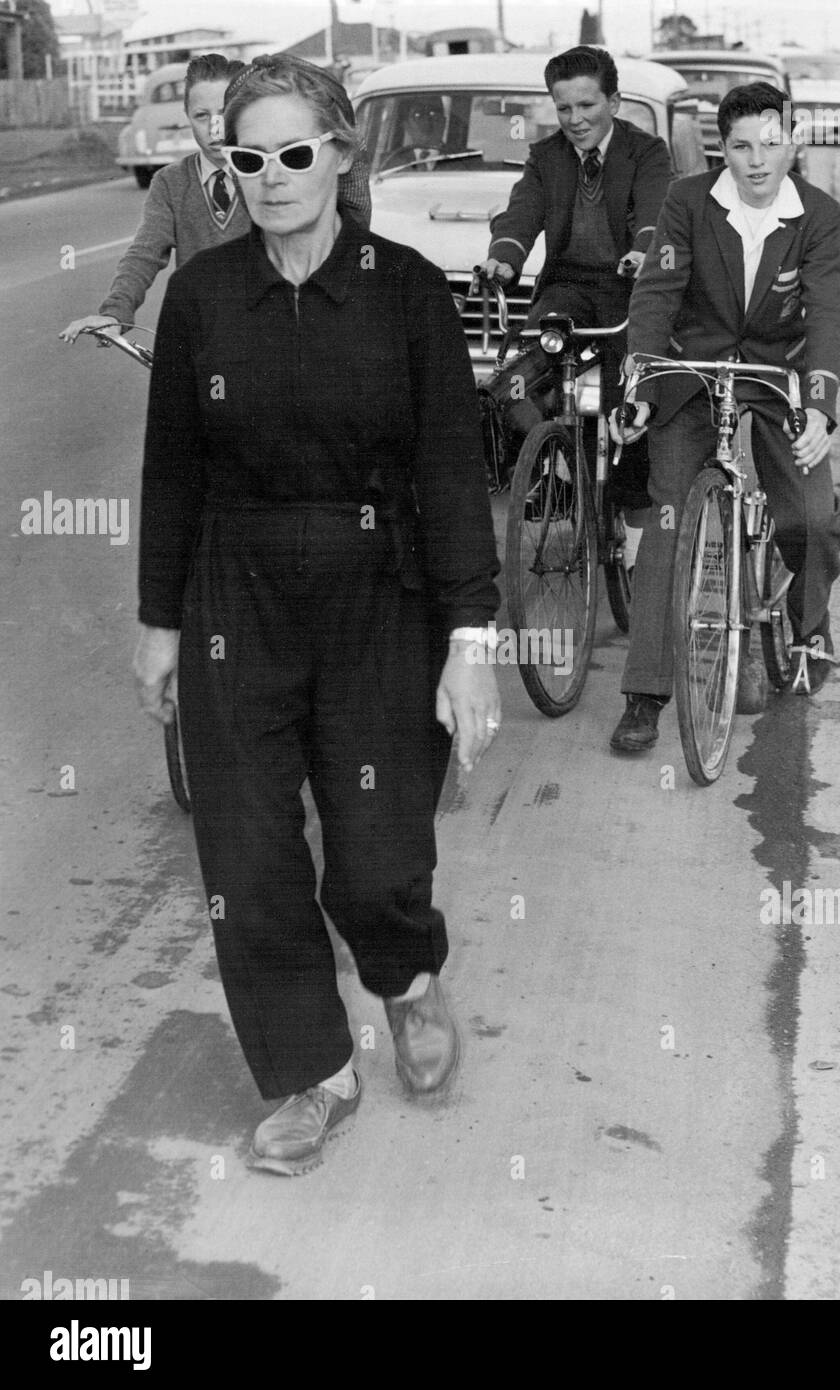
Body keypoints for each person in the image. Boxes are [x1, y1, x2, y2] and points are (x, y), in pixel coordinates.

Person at [132, 53, 501, 1176]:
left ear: (341, 153)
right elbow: (173, 471)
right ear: (225, 165)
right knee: (243, 855)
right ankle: (312, 1070)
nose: (274, 175)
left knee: (376, 856)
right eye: (250, 157)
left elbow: (449, 470)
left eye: (297, 152)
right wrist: (157, 623)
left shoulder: (407, 290)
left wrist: (471, 641)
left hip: (374, 593)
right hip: (233, 595)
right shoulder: (202, 297)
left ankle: (406, 979)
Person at [609, 83, 840, 754]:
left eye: (770, 143)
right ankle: (644, 693)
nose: (755, 160)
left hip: (777, 375)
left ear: (792, 143)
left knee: (806, 513)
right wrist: (642, 383)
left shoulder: (819, 215)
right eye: (740, 145)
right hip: (694, 370)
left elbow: (829, 312)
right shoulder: (687, 201)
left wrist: (822, 406)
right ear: (722, 149)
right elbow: (656, 295)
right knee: (666, 520)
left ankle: (807, 624)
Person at [476, 44, 672, 569]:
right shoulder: (546, 156)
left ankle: (633, 523)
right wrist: (504, 259)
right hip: (568, 289)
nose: (575, 119)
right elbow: (522, 214)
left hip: (630, 290)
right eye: (564, 108)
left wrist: (642, 249)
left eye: (587, 106)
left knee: (627, 405)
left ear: (614, 100)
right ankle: (556, 465)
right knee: (513, 379)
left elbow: (656, 207)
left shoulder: (647, 152)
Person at [59, 53, 372, 344]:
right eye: (200, 115)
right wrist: (115, 311)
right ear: (186, 116)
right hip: (205, 333)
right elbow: (143, 253)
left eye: (224, 114)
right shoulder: (171, 182)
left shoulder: (272, 177)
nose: (214, 129)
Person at [383, 96, 447, 171]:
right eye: (418, 115)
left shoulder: (461, 161)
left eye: (432, 114)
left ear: (443, 121)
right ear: (407, 126)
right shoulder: (389, 163)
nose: (426, 122)